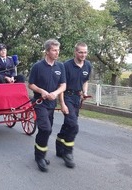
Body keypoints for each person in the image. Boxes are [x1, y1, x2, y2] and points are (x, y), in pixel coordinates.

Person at [28, 39, 66, 172]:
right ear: (47, 51)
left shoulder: (60, 67)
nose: (57, 53)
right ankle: (40, 158)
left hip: (51, 103)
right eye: (54, 50)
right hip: (39, 103)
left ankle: (39, 153)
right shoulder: (37, 66)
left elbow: (63, 85)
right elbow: (31, 84)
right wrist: (42, 91)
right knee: (46, 129)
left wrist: (55, 93)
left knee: (45, 130)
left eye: (58, 50)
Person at [56, 42, 92, 168]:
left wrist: (85, 92)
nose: (83, 55)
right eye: (81, 52)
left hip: (77, 97)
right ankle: (68, 153)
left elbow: (85, 80)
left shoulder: (88, 65)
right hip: (67, 96)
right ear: (75, 52)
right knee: (73, 125)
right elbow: (61, 85)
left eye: (85, 52)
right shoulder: (66, 65)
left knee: (68, 124)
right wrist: (62, 103)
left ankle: (59, 144)